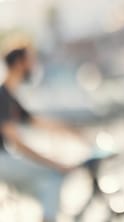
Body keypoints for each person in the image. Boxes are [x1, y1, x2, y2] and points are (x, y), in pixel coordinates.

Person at [0, 46, 86, 222]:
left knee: (47, 193)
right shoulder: (2, 96)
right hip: (3, 161)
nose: (34, 66)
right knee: (54, 175)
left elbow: (38, 123)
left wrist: (73, 131)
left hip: (7, 160)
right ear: (18, 64)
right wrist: (53, 163)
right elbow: (16, 142)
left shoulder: (9, 96)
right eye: (30, 61)